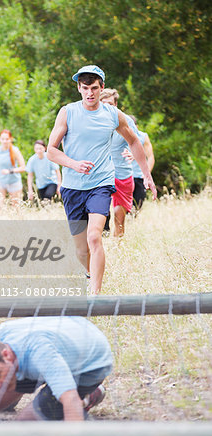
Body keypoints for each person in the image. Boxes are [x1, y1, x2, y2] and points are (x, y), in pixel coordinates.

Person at [47, 65, 157, 294]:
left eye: (94, 88)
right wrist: (74, 164)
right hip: (72, 186)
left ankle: (95, 296)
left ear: (102, 88)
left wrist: (146, 175)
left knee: (94, 236)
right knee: (80, 249)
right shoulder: (67, 112)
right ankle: (89, 273)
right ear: (78, 88)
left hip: (102, 183)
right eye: (85, 88)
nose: (90, 93)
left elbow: (135, 142)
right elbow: (51, 150)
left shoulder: (114, 115)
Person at [0, 316, 113, 421]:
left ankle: (89, 396)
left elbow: (69, 398)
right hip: (49, 354)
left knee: (26, 427)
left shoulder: (41, 352)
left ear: (6, 354)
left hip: (89, 364)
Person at [100, 89, 146, 237]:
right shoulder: (92, 120)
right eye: (103, 104)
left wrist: (133, 154)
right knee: (100, 213)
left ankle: (118, 249)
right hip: (101, 173)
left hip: (122, 174)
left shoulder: (126, 120)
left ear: (116, 104)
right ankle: (99, 244)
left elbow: (137, 142)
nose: (107, 107)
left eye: (110, 104)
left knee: (119, 217)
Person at [124, 115, 155, 210]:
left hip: (139, 176)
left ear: (136, 127)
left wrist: (146, 174)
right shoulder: (119, 135)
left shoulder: (143, 137)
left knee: (138, 206)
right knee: (124, 207)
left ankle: (132, 221)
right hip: (124, 176)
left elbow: (150, 157)